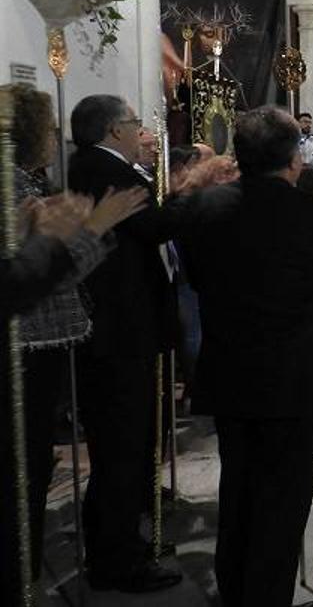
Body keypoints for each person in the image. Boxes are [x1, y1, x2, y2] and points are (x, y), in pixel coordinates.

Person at [175, 106, 313, 607]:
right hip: (293, 378)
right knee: (283, 500)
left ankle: (235, 594)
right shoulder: (309, 212)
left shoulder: (205, 208)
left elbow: (194, 277)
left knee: (238, 490)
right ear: (294, 158)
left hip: (231, 372)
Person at [0, 86, 147, 606]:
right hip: (29, 346)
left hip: (47, 341)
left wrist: (85, 237)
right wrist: (91, 231)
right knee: (26, 477)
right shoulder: (15, 189)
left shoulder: (31, 185)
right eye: (48, 127)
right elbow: (31, 280)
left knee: (36, 469)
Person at [66, 94, 183, 593]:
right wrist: (188, 191)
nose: (142, 132)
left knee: (129, 446)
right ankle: (118, 559)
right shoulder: (104, 170)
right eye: (135, 124)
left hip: (126, 329)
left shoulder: (98, 166)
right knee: (121, 449)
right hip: (119, 332)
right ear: (115, 131)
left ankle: (124, 541)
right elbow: (153, 226)